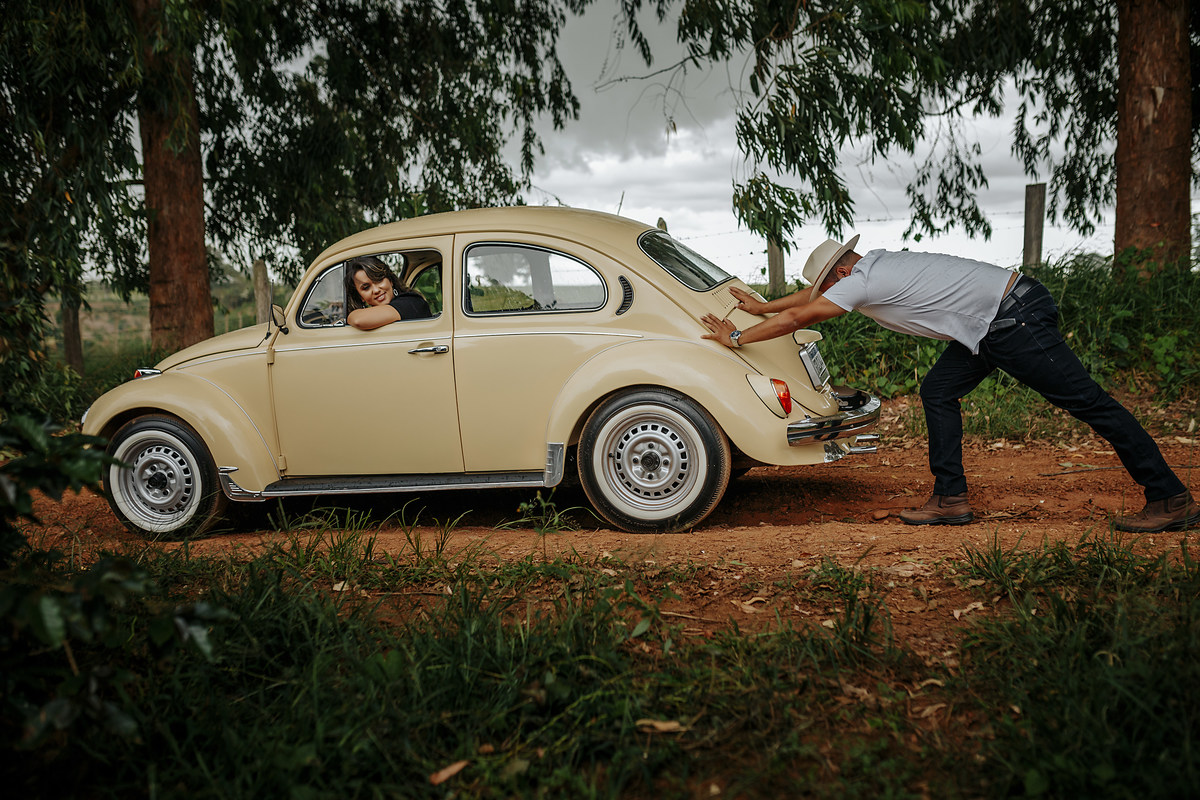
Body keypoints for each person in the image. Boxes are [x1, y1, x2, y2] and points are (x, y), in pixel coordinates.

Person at [700, 236, 1198, 533]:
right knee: (937, 390)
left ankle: (1170, 499)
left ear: (840, 275)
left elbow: (804, 313)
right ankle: (950, 498)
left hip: (1011, 320)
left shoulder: (860, 281)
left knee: (1090, 403)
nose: (827, 292)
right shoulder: (871, 266)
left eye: (827, 284)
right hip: (991, 324)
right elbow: (803, 299)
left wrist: (739, 334)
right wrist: (762, 305)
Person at [343, 256, 432, 330]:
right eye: (366, 287)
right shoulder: (373, 320)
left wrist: (348, 317)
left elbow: (358, 320)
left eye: (379, 280)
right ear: (360, 296)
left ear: (390, 280)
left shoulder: (411, 302)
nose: (376, 290)